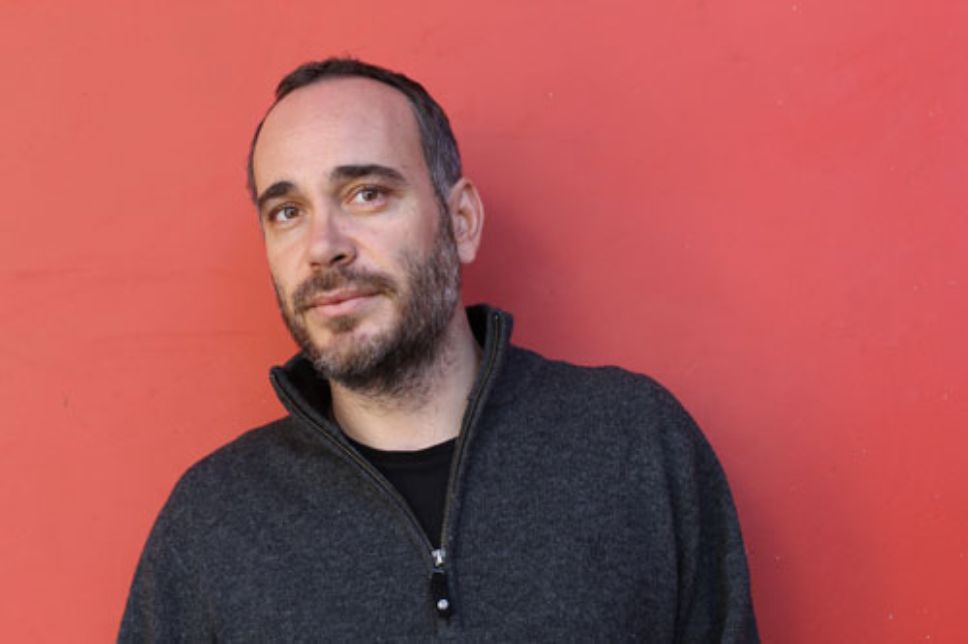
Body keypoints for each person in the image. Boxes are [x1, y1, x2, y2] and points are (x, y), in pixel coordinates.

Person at [120, 58, 759, 642]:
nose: (324, 246)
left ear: (462, 221)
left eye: (366, 193)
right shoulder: (210, 524)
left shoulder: (637, 447)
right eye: (287, 211)